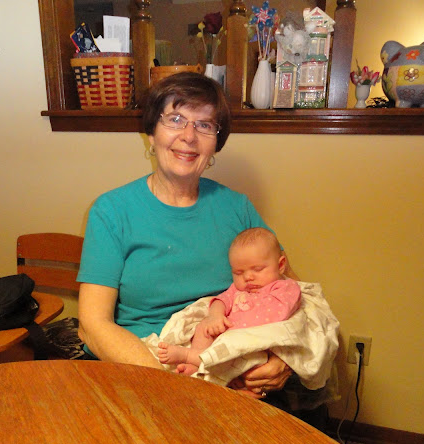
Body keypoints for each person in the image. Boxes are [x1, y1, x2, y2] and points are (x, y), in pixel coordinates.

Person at [76, 72, 299, 401]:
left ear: (215, 143)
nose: (189, 136)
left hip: (231, 367)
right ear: (151, 133)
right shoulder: (111, 211)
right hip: (142, 368)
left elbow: (293, 290)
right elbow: (93, 325)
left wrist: (284, 359)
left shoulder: (237, 208)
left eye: (204, 125)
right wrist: (182, 387)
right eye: (176, 119)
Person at [157, 227, 302, 375]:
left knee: (231, 351)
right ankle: (196, 365)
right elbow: (221, 300)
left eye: (257, 269)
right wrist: (215, 317)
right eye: (238, 272)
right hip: (225, 334)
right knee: (204, 327)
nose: (248, 277)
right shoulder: (237, 290)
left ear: (280, 265)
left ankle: (189, 356)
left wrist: (233, 332)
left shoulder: (285, 288)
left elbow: (279, 314)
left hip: (253, 341)